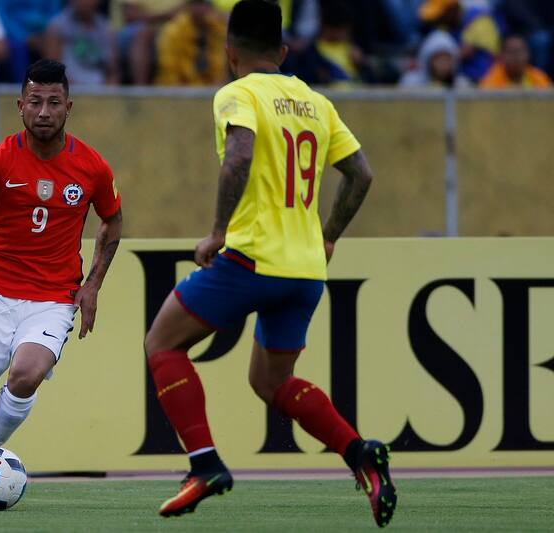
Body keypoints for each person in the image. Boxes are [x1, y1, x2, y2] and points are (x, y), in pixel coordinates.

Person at [143, 0, 395, 527]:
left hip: (252, 258)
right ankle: (360, 453)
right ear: (282, 51)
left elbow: (239, 156)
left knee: (162, 343)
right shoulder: (316, 102)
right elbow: (362, 174)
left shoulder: (237, 94)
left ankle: (204, 465)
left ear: (229, 51)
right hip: (305, 270)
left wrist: (218, 232)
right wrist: (328, 237)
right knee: (271, 382)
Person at [0, 59, 123, 508]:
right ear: (20, 106)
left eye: (54, 102)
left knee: (27, 373)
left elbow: (112, 221)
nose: (44, 112)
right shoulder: (0, 157)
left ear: (68, 108)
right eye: (35, 102)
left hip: (53, 297)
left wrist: (93, 284)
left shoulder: (92, 166)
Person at [418, 0, 501, 82]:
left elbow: (493, 56)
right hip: (455, 79)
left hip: (485, 81)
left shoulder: (480, 20)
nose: (438, 18)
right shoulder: (444, 25)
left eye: (441, 13)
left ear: (452, 9)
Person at [44, 0, 119, 85]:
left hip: (101, 90)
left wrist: (109, 90)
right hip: (69, 88)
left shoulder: (106, 29)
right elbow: (53, 71)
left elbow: (113, 72)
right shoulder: (57, 27)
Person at [155, 0, 227, 86]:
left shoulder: (217, 29)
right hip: (176, 86)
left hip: (209, 86)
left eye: (204, 4)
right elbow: (170, 68)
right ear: (188, 6)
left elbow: (220, 67)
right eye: (196, 4)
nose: (200, 9)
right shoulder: (173, 31)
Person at [400, 29, 471, 88]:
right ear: (428, 61)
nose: (444, 64)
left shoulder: (461, 85)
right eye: (439, 60)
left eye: (447, 59)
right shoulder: (412, 83)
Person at [479, 34, 552, 89]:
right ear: (501, 56)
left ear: (528, 53)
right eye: (511, 52)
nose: (516, 57)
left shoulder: (539, 78)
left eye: (520, 51)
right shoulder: (490, 82)